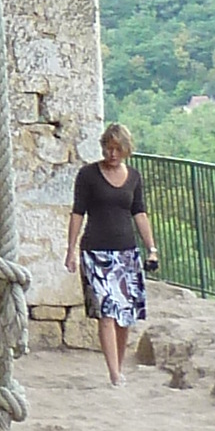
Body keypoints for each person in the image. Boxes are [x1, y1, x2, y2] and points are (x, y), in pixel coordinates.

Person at [65, 122, 159, 383]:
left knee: (124, 315)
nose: (112, 154)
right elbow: (77, 212)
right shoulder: (88, 175)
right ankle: (114, 373)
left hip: (127, 252)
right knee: (106, 313)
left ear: (126, 150)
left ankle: (119, 363)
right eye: (108, 148)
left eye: (117, 149)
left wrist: (152, 248)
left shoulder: (135, 177)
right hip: (96, 252)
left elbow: (139, 212)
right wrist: (71, 250)